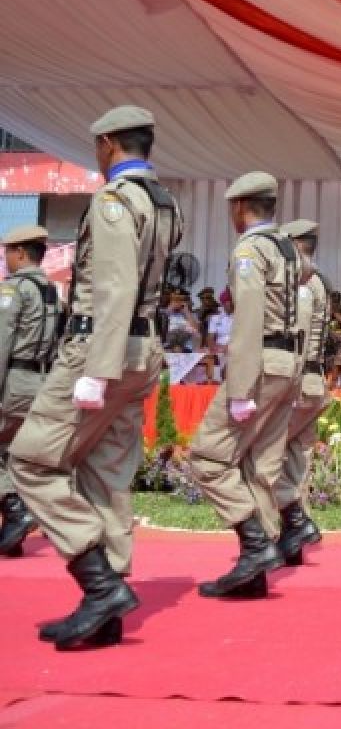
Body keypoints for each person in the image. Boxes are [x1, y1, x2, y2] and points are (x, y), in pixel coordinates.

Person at [9, 105, 181, 650]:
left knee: (32, 461)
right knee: (106, 474)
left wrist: (95, 371)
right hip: (141, 347)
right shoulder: (164, 201)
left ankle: (100, 585)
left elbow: (111, 287)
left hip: (100, 350)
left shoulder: (113, 201)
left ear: (107, 144)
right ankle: (103, 608)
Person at [186, 172, 304, 600]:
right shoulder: (287, 248)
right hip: (288, 362)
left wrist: (239, 388)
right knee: (259, 465)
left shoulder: (251, 248)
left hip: (261, 363)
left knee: (209, 457)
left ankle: (255, 545)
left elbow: (248, 318)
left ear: (240, 207)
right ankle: (257, 565)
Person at [0, 226, 62, 558]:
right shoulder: (50, 290)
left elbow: (2, 342)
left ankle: (16, 507)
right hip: (41, 380)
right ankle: (14, 530)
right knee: (18, 453)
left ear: (21, 253)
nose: (5, 258)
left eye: (8, 251)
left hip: (15, 379)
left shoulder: (15, 289)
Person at [274, 219, 330, 567]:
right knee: (296, 463)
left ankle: (288, 527)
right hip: (310, 382)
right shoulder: (314, 280)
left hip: (299, 381)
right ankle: (291, 540)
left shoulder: (304, 283)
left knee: (266, 458)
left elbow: (299, 334)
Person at [203, 288, 234, 383]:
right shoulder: (215, 318)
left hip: (235, 347)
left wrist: (230, 347)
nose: (231, 304)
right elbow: (210, 338)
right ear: (223, 303)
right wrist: (217, 348)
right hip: (219, 349)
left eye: (232, 302)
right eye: (228, 302)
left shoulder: (241, 317)